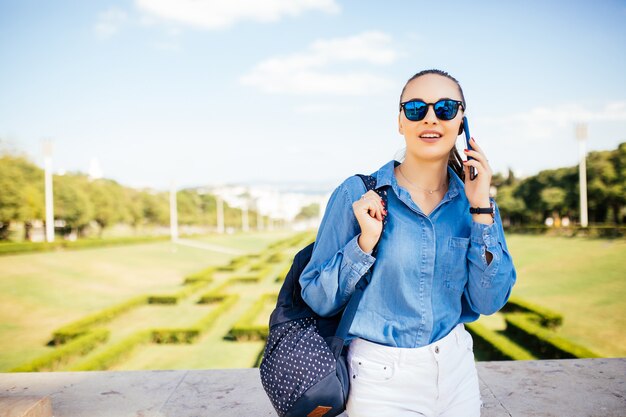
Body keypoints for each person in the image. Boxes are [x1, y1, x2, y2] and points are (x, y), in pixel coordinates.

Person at [298, 68, 517, 417]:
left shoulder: (477, 204)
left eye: (445, 108)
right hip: (380, 379)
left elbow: (488, 301)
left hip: (457, 368)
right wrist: (363, 245)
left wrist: (480, 210)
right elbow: (317, 298)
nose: (430, 117)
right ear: (401, 121)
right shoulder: (358, 194)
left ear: (462, 122)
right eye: (416, 108)